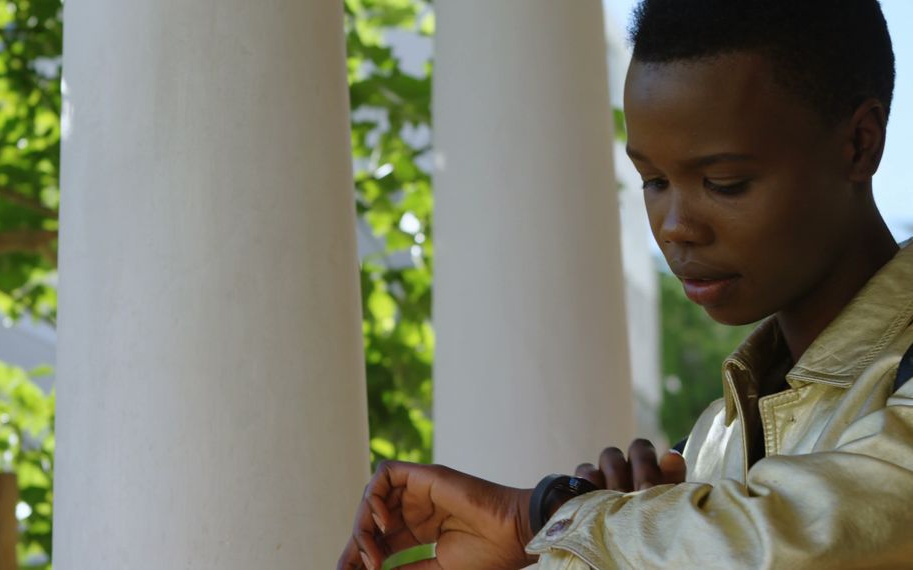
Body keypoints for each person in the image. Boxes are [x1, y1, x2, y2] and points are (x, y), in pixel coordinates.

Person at [338, 1, 913, 568]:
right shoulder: (711, 440)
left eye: (724, 182)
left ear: (860, 144)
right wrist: (589, 533)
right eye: (654, 180)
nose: (675, 227)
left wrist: (548, 522)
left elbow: (813, 537)